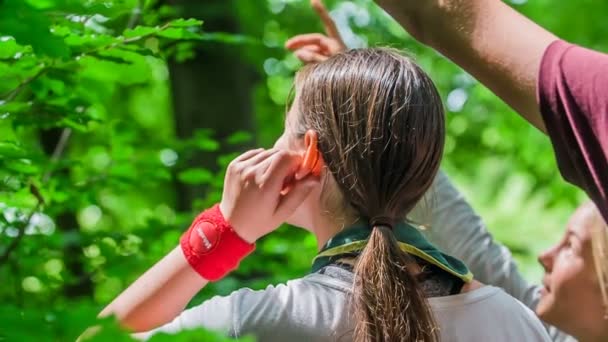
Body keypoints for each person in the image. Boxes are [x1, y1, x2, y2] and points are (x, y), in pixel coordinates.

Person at [97, 48, 550, 341]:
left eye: (284, 132)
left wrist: (224, 230)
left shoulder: (256, 321)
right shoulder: (513, 323)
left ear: (308, 155)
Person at [285, 1, 608, 340]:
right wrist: (371, 117)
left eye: (572, 246)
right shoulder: (541, 329)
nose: (544, 255)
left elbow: (447, 14)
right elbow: (475, 251)